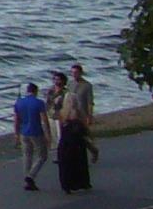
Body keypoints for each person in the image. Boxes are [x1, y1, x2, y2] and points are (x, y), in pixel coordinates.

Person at [55, 64, 97, 193]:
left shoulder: (87, 86)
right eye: (72, 72)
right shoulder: (70, 85)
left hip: (80, 116)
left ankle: (93, 151)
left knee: (81, 145)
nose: (74, 75)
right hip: (71, 122)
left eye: (76, 72)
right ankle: (93, 151)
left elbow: (89, 102)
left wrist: (89, 115)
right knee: (75, 151)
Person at [13, 80, 51, 191]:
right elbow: (44, 120)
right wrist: (48, 134)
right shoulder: (39, 103)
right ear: (35, 91)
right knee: (42, 156)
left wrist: (16, 133)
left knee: (27, 155)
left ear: (27, 91)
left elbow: (16, 120)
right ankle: (31, 175)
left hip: (23, 132)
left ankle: (27, 178)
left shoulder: (19, 102)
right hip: (36, 131)